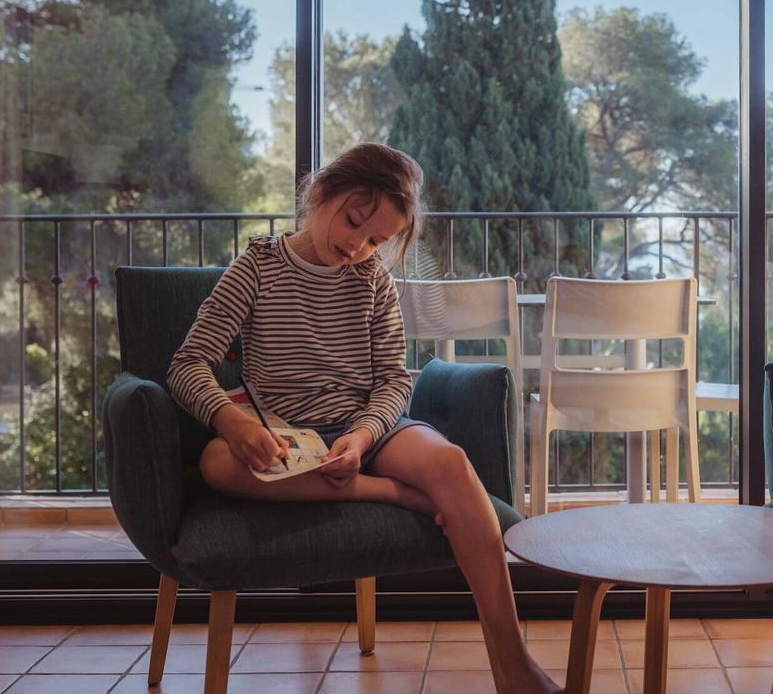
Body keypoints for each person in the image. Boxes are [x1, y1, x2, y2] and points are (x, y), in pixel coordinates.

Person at [166, 142, 561, 694]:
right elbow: (187, 365)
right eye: (354, 222)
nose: (357, 245)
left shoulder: (371, 279)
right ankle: (388, 493)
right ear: (320, 193)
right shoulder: (256, 267)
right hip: (291, 440)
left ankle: (512, 662)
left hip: (365, 429)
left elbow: (395, 380)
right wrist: (234, 424)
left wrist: (361, 435)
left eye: (376, 239)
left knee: (449, 461)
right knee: (217, 465)